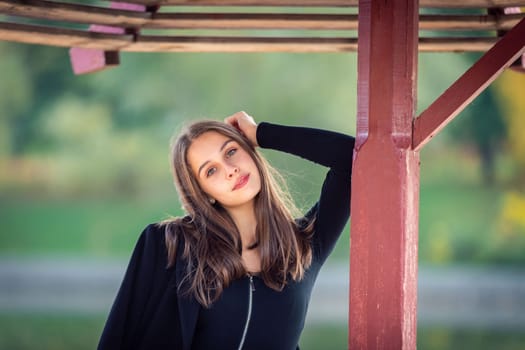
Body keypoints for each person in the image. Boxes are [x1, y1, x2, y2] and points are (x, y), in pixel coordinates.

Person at [98, 111, 355, 350]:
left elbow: (351, 158)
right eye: (211, 171)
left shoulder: (305, 244)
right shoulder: (171, 244)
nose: (230, 170)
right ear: (203, 193)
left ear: (250, 151)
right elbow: (120, 337)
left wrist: (260, 133)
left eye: (231, 151)